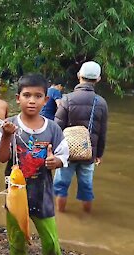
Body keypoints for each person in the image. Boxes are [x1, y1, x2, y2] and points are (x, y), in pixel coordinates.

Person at [0, 73, 68, 255]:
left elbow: (63, 155)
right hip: (15, 194)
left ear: (46, 99)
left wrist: (56, 162)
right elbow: (1, 157)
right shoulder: (8, 125)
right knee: (16, 238)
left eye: (38, 96)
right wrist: (7, 137)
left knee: (51, 242)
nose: (32, 100)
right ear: (18, 98)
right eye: (27, 95)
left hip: (42, 194)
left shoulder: (53, 129)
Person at [54, 61, 108, 213]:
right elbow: (102, 132)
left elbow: (57, 128)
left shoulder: (67, 99)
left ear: (79, 76)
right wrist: (99, 154)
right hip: (88, 152)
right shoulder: (101, 103)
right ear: (97, 79)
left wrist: (55, 151)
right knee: (86, 187)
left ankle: (61, 215)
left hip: (67, 152)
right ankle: (87, 219)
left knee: (61, 186)